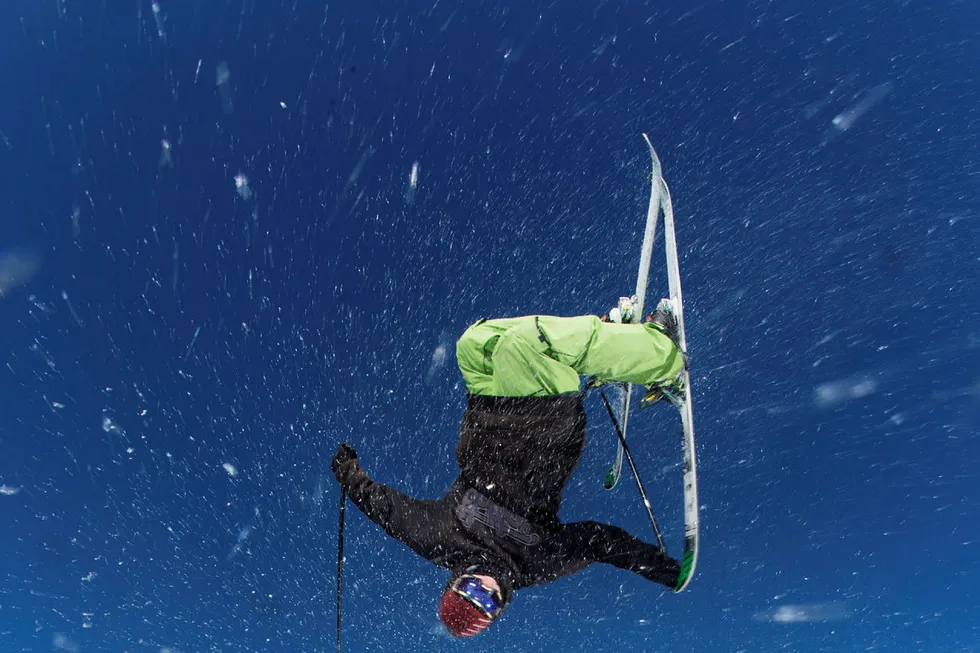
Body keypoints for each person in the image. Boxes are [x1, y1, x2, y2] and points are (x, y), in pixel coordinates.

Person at [331, 302, 686, 638]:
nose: (488, 587)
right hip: (544, 428)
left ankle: (611, 346)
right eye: (489, 602)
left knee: (473, 344)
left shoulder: (439, 538)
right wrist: (659, 568)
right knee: (522, 346)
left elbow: (386, 510)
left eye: (473, 590)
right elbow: (598, 543)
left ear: (456, 581)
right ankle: (664, 360)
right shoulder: (534, 562)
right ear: (500, 608)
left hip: (487, 415)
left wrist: (348, 473)